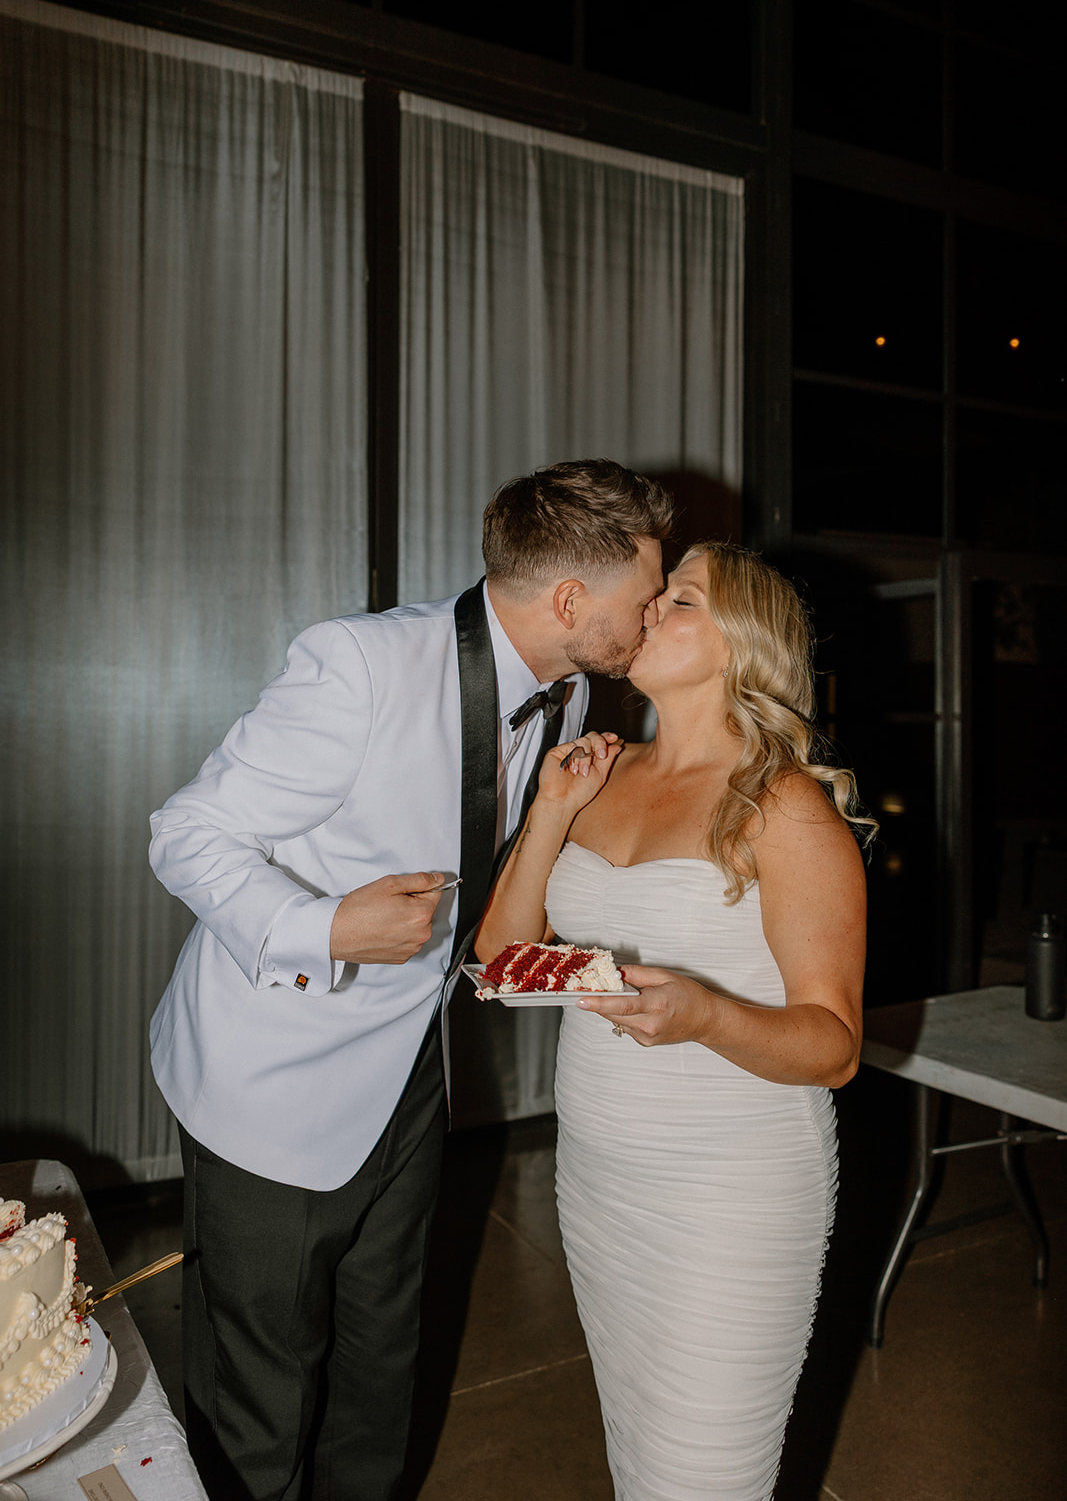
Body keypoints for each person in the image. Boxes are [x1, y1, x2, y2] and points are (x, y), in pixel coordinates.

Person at [147, 458, 672, 1501]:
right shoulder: (360, 663)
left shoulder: (567, 698)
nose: (652, 616)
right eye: (645, 597)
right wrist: (322, 926)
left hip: (409, 1081)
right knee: (263, 1391)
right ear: (569, 599)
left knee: (383, 1362)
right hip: (268, 1083)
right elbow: (186, 831)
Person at [475, 540, 875, 1501]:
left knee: (706, 1475)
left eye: (679, 599)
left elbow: (835, 1048)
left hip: (732, 1193)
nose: (648, 610)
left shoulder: (784, 809)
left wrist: (705, 1015)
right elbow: (502, 962)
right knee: (638, 1455)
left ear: (741, 644)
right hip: (600, 1174)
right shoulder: (599, 772)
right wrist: (548, 813)